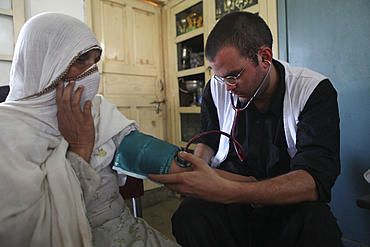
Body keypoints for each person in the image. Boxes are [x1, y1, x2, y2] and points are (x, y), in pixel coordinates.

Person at [149, 11, 344, 247]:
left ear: (264, 57)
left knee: (317, 226)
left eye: (234, 76)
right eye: (221, 78)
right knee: (189, 217)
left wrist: (230, 190)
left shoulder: (313, 91)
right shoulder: (217, 88)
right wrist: (197, 166)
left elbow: (315, 180)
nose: (228, 88)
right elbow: (209, 140)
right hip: (232, 192)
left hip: (286, 198)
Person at [0, 12, 189, 247]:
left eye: (95, 60)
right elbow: (26, 232)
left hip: (128, 232)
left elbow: (142, 150)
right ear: (47, 62)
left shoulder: (96, 110)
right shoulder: (6, 132)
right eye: (80, 60)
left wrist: (200, 172)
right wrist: (80, 148)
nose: (93, 72)